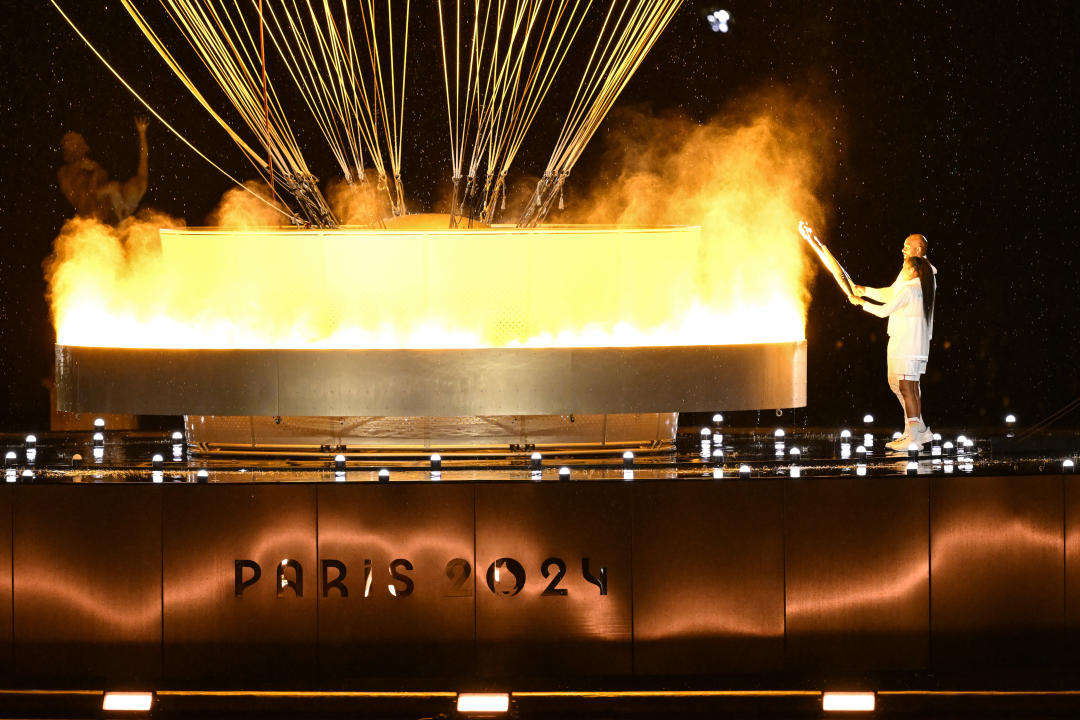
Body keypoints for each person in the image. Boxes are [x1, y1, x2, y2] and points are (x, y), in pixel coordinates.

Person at [850, 253, 936, 452]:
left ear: (914, 271)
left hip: (907, 348)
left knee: (907, 391)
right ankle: (917, 434)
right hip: (917, 348)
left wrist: (860, 302)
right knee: (912, 391)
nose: (902, 272)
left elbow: (883, 311)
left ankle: (913, 438)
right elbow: (890, 298)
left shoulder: (910, 289)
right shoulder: (923, 288)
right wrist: (865, 292)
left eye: (905, 268)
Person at [58, 117, 149, 224]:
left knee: (112, 188)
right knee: (112, 188)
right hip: (93, 211)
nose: (75, 148)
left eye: (76, 144)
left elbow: (92, 192)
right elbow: (144, 161)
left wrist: (142, 134)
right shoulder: (67, 172)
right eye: (71, 145)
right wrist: (142, 134)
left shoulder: (125, 194)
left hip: (98, 216)